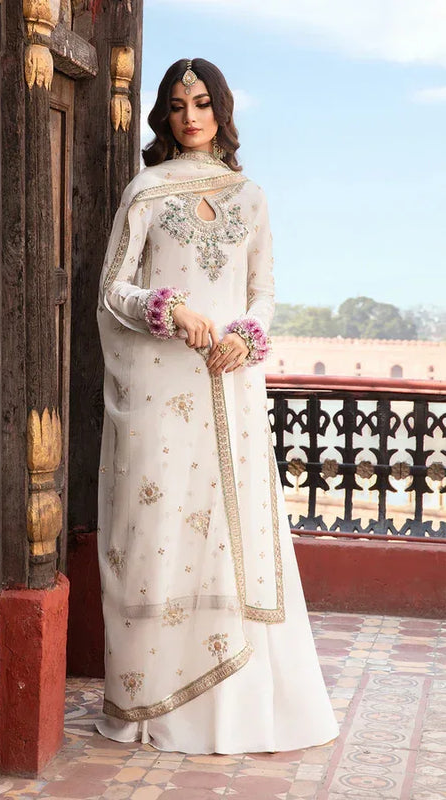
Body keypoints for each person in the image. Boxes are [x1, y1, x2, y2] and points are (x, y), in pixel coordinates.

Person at [95, 58, 339, 754]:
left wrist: (247, 332)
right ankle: (156, 701)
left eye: (201, 102)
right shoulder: (145, 192)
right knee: (158, 528)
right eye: (177, 105)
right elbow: (112, 288)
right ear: (164, 118)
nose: (191, 115)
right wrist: (166, 310)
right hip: (159, 392)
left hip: (229, 384)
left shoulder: (248, 197)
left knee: (233, 533)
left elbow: (263, 290)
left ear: (221, 110)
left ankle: (239, 706)